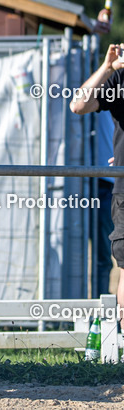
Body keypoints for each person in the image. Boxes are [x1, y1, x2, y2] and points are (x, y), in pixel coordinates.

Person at [70, 41, 124, 318]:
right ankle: (117, 339)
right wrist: (106, 67)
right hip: (117, 186)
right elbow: (78, 105)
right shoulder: (118, 80)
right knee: (118, 265)